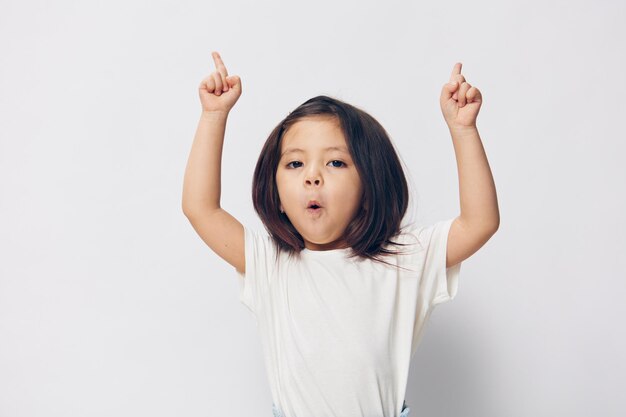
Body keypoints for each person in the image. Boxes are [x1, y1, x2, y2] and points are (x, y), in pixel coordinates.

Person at [182, 51, 499, 417]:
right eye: (295, 163)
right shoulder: (270, 265)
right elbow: (200, 207)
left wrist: (463, 130)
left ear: (370, 189)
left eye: (335, 162)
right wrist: (213, 116)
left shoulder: (405, 261)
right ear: (277, 195)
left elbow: (480, 222)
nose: (311, 177)